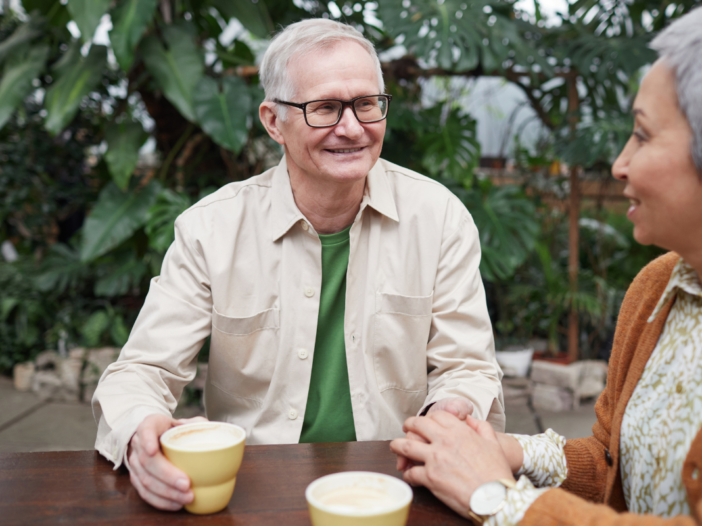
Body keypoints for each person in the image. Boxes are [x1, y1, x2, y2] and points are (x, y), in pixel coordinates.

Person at [92, 19, 505, 511]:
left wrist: (449, 414)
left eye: (366, 104)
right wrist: (141, 431)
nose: (351, 128)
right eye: (325, 108)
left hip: (397, 485)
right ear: (273, 122)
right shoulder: (212, 229)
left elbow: (469, 367)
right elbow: (140, 371)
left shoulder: (438, 219)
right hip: (251, 491)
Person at [390, 7, 702, 526]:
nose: (619, 163)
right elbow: (609, 463)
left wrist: (497, 495)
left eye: (643, 136)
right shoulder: (659, 289)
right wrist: (503, 450)